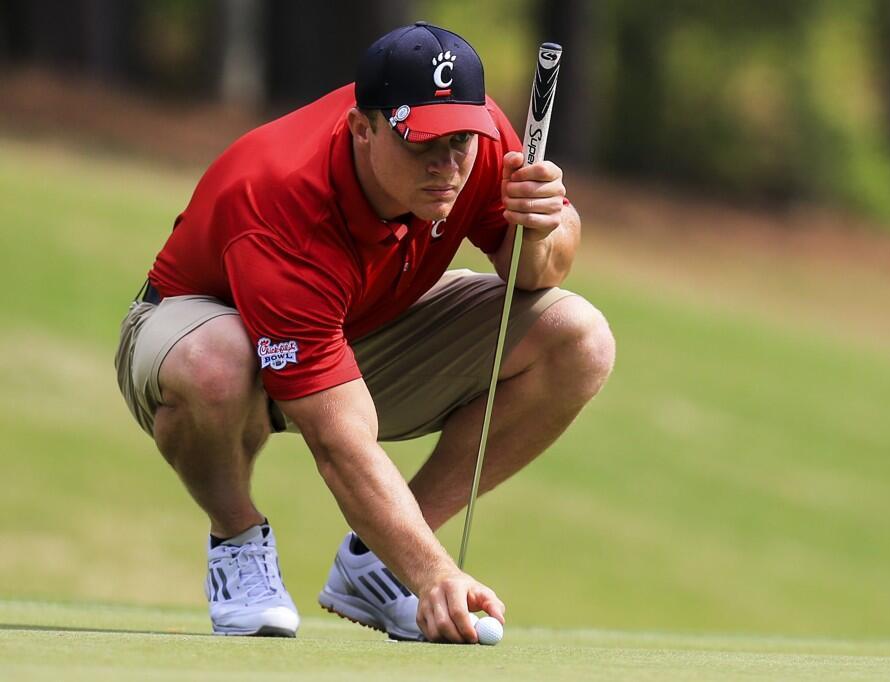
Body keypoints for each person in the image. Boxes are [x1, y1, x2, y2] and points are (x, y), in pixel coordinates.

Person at [114, 21, 614, 643]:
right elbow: (339, 442)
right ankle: (237, 539)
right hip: (197, 323)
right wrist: (436, 575)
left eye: (459, 140)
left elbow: (532, 274)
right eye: (420, 144)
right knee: (215, 365)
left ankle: (377, 566)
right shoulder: (283, 196)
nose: (447, 165)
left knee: (580, 340)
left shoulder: (477, 143)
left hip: (356, 319)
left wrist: (545, 227)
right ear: (361, 127)